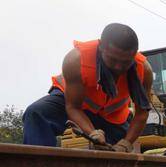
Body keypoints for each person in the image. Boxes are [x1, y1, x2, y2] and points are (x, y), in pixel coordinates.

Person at [23, 23, 153, 152]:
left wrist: (126, 143)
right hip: (70, 102)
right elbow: (73, 107)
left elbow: (141, 114)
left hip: (111, 116)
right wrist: (93, 133)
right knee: (37, 113)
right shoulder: (76, 60)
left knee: (120, 153)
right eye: (113, 60)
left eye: (125, 62)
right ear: (101, 47)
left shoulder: (143, 70)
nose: (118, 67)